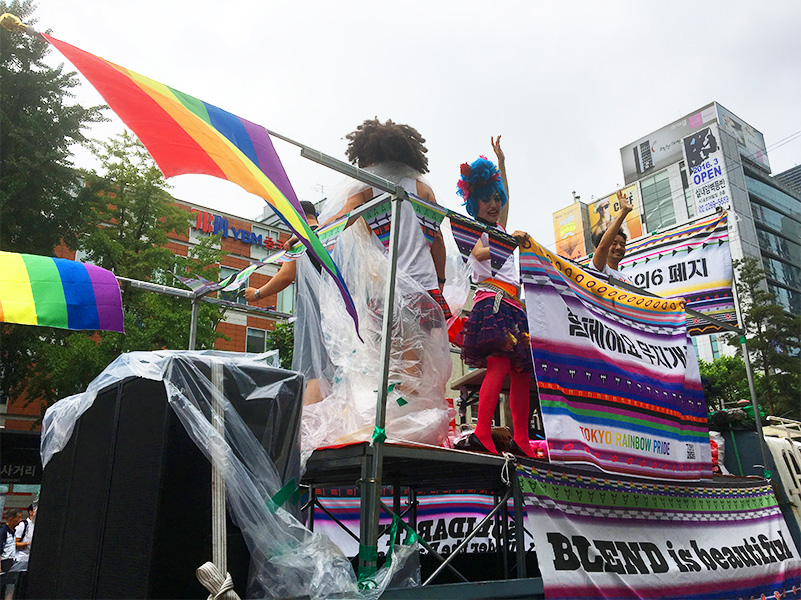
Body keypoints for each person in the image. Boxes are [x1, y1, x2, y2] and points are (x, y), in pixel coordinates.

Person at [458, 137, 544, 458]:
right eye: (486, 199)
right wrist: (507, 242)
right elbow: (479, 253)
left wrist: (502, 163)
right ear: (474, 202)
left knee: (522, 373)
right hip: (492, 302)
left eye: (497, 198)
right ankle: (482, 431)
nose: (493, 204)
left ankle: (521, 438)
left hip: (512, 305)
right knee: (499, 366)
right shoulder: (472, 229)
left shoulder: (500, 229)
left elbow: (506, 196)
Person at [245, 201, 332, 405]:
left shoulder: (298, 240)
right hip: (340, 313)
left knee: (314, 371)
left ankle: (310, 422)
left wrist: (256, 293)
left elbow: (286, 275)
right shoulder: (332, 232)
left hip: (314, 315)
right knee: (333, 370)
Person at [591, 189, 633, 283]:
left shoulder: (628, 280)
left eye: (622, 244)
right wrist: (624, 212)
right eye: (614, 243)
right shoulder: (599, 269)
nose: (619, 247)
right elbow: (603, 247)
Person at [1, 510, 22, 597]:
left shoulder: (13, 531)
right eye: (18, 518)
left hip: (11, 563)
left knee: (10, 586)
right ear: (11, 519)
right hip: (3, 562)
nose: (20, 520)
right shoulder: (3, 532)